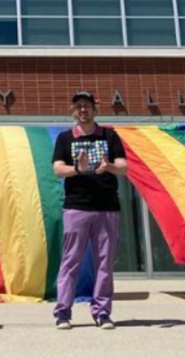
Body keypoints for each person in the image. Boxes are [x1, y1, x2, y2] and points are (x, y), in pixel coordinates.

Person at [51, 91, 128, 330]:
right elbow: (57, 169)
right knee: (70, 261)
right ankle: (63, 312)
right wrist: (78, 168)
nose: (83, 109)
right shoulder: (65, 139)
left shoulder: (110, 135)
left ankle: (102, 312)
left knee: (104, 263)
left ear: (95, 110)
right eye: (78, 106)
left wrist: (109, 166)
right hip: (77, 207)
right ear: (73, 111)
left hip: (107, 208)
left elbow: (124, 167)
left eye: (87, 106)